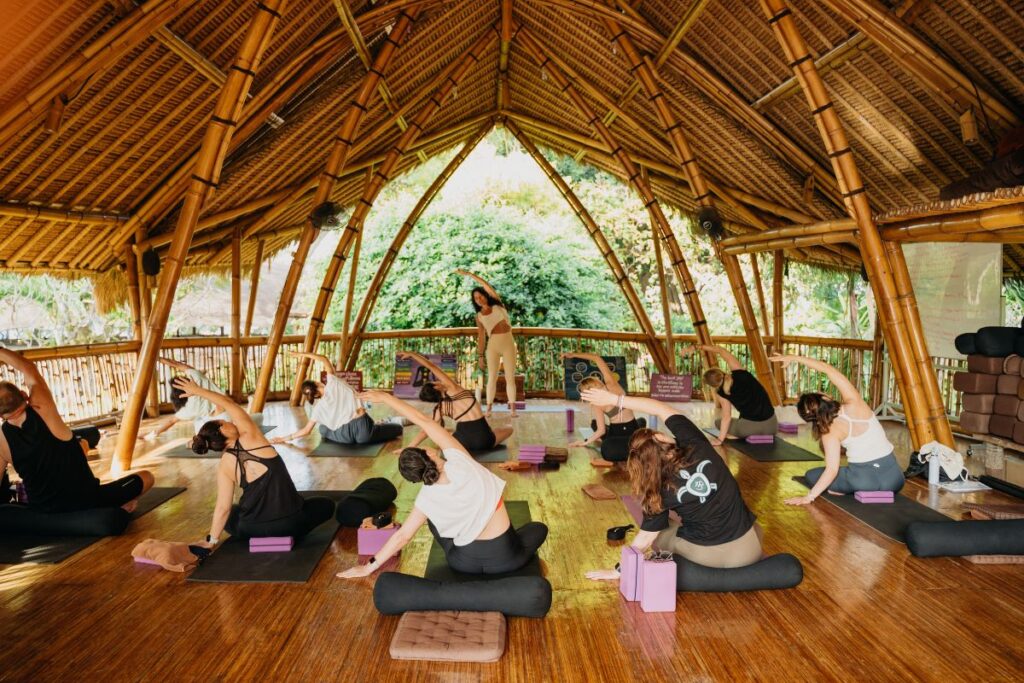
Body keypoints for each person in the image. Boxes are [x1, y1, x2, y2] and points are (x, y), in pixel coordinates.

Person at [337, 390, 547, 579]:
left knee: (430, 521)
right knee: (538, 528)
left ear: (415, 479)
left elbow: (402, 537)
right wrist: (386, 397)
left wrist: (368, 567)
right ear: (429, 452)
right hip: (506, 559)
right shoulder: (462, 462)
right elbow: (425, 422)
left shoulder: (425, 500)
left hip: (463, 563)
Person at [580, 390, 763, 576]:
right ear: (662, 438)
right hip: (750, 549)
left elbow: (645, 538)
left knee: (660, 532)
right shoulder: (698, 445)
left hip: (706, 557)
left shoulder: (655, 489)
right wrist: (614, 399)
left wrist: (618, 571)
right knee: (750, 523)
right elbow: (661, 408)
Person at [175, 376, 334, 545]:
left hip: (251, 529)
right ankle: (287, 532)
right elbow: (229, 404)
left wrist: (211, 541)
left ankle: (262, 533)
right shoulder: (252, 436)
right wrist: (198, 391)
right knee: (326, 505)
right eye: (224, 422)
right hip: (291, 525)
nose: (230, 421)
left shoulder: (224, 466)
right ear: (222, 430)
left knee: (232, 513)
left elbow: (223, 508)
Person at [0, 348, 154, 513]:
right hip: (87, 502)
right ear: (24, 394)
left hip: (42, 511)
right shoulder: (41, 408)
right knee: (147, 477)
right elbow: (28, 368)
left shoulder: (1, 439)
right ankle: (119, 506)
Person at [771, 354, 904, 503]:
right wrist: (795, 358)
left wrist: (809, 497)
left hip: (864, 482)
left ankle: (840, 488)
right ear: (826, 398)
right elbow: (828, 370)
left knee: (812, 475)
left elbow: (832, 470)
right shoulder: (856, 403)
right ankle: (846, 485)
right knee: (843, 473)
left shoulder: (829, 432)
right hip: (895, 479)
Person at [270, 351, 403, 446]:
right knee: (397, 429)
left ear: (314, 395)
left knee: (322, 428)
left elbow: (306, 431)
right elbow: (323, 359)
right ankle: (387, 422)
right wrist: (302, 354)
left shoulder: (318, 409)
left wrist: (283, 439)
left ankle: (380, 423)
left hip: (345, 437)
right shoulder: (332, 382)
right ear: (317, 383)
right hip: (363, 431)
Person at [400, 351, 512, 455]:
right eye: (435, 381)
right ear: (437, 386)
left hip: (462, 443)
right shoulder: (455, 389)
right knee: (509, 428)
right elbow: (431, 366)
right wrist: (413, 354)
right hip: (485, 440)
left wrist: (408, 447)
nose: (438, 381)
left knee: (443, 432)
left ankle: (455, 436)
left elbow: (425, 431)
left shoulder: (441, 408)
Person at [456, 269, 518, 417]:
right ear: (475, 301)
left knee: (510, 376)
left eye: (480, 295)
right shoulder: (479, 316)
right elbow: (481, 336)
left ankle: (513, 409)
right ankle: (489, 408)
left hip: (508, 343)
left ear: (485, 295)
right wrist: (480, 356)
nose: (479, 299)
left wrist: (470, 275)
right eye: (476, 298)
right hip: (493, 346)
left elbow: (486, 285)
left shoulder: (498, 305)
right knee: (492, 377)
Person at [564, 352, 644, 466]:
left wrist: (574, 355)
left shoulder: (612, 386)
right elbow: (601, 430)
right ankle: (640, 429)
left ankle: (618, 457)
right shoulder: (597, 402)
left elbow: (597, 358)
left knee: (606, 449)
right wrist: (584, 442)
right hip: (615, 430)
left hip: (629, 431)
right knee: (594, 424)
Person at [687, 344, 776, 445]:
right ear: (720, 372)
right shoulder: (740, 372)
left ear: (712, 385)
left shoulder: (722, 393)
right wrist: (696, 347)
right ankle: (748, 434)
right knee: (743, 418)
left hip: (748, 429)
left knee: (718, 422)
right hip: (772, 426)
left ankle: (739, 435)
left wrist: (720, 439)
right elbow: (720, 350)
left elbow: (726, 417)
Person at [140, 357, 227, 440]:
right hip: (228, 415)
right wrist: (156, 358)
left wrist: (150, 435)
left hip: (213, 427)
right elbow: (176, 364)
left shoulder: (187, 410)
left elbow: (171, 422)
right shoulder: (196, 376)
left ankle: (204, 440)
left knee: (198, 420)